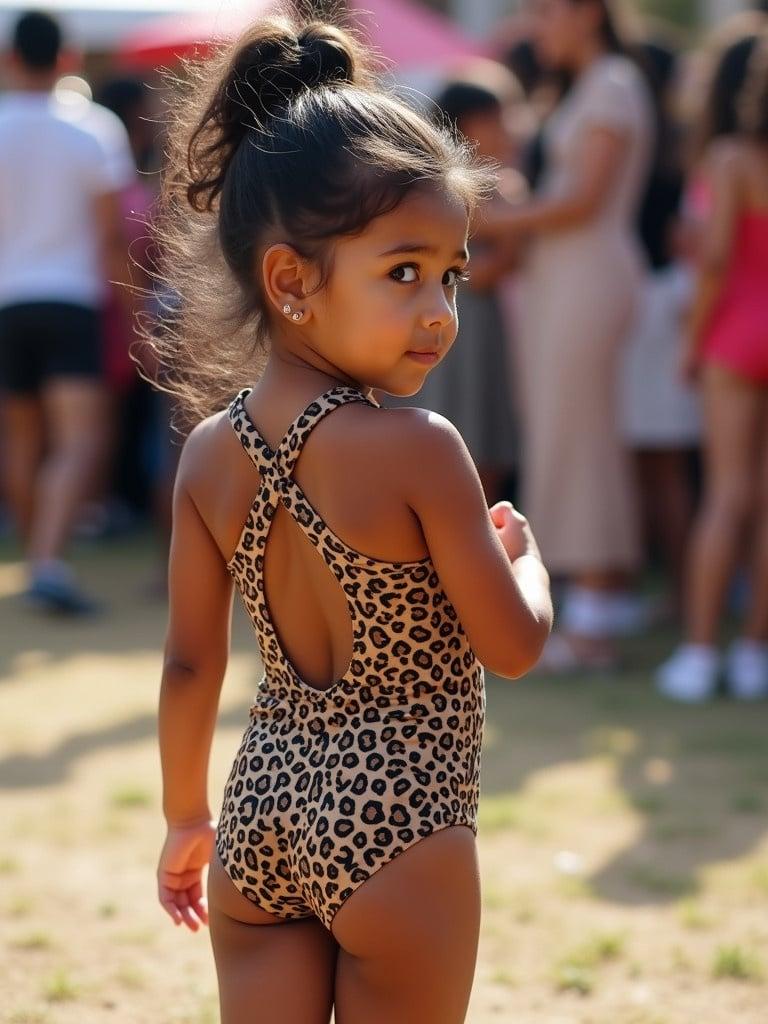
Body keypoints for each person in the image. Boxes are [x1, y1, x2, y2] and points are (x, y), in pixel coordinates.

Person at [153, 16, 552, 1024]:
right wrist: (528, 561)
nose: (438, 311)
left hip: (259, 811)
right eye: (404, 271)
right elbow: (511, 643)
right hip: (403, 824)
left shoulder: (209, 453)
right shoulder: (419, 447)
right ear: (291, 280)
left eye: (451, 275)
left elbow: (191, 664)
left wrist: (184, 818)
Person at [480, 0, 654, 669]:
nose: (536, 25)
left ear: (588, 12)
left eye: (546, 10)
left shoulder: (612, 83)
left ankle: (598, 619)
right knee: (567, 437)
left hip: (588, 280)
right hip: (562, 283)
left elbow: (584, 200)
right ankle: (592, 609)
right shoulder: (586, 87)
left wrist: (495, 219)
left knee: (585, 440)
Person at [0, 10, 136, 612]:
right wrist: (136, 312)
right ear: (67, 59)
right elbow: (113, 238)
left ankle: (38, 556)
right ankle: (47, 562)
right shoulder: (94, 129)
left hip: (7, 302)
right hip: (72, 300)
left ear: (9, 58)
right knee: (79, 441)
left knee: (20, 438)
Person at [656, 31, 768, 703]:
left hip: (736, 334)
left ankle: (698, 654)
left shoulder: (729, 157)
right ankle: (755, 654)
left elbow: (716, 260)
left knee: (726, 496)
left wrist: (692, 344)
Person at [387, 65, 526, 505]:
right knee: (454, 437)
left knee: (484, 442)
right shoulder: (441, 192)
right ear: (464, 126)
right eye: (496, 120)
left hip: (480, 328)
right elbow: (491, 264)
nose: (507, 132)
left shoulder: (498, 188)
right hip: (451, 331)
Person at [619, 40, 700, 620]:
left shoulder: (669, 154)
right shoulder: (672, 148)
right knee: (658, 463)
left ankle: (687, 593)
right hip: (658, 302)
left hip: (658, 304)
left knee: (663, 464)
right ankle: (683, 592)